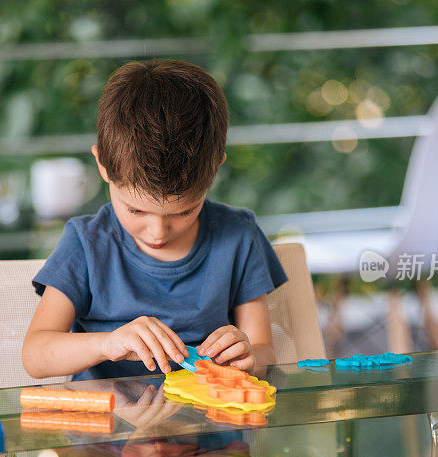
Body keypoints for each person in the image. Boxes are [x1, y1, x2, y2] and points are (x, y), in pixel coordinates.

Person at [22, 59, 287, 381]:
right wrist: (109, 343)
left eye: (183, 211)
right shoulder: (87, 244)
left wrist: (248, 355)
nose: (158, 231)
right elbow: (35, 356)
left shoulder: (239, 237)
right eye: (136, 210)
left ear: (216, 167)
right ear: (102, 165)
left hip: (210, 425)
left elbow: (263, 351)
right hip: (109, 427)